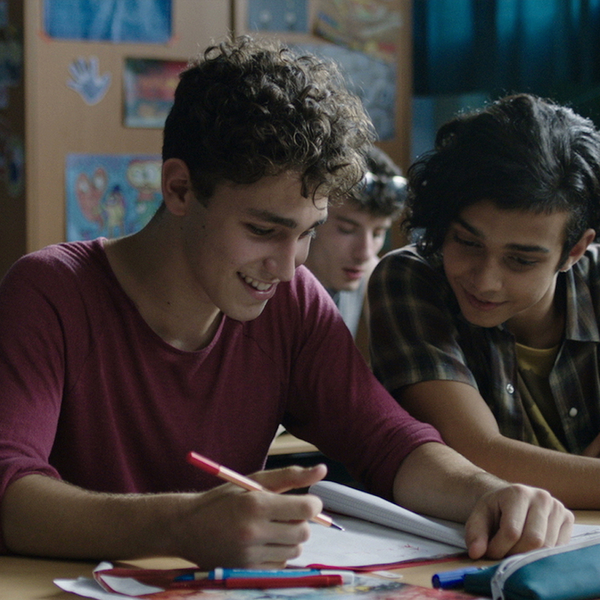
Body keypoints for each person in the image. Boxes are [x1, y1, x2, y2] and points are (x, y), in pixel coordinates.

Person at [0, 41, 572, 569]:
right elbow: (10, 493)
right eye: (263, 229)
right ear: (178, 189)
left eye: (307, 232)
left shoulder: (291, 301)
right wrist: (179, 525)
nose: (290, 263)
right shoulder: (51, 292)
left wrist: (488, 492)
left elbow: (390, 443)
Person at [368, 93, 600, 510]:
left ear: (575, 251)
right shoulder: (411, 278)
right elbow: (477, 455)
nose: (485, 281)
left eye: (520, 260)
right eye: (466, 241)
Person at [304, 145, 405, 344]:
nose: (365, 253)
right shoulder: (268, 285)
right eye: (346, 230)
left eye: (378, 233)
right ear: (309, 223)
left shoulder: (367, 271)